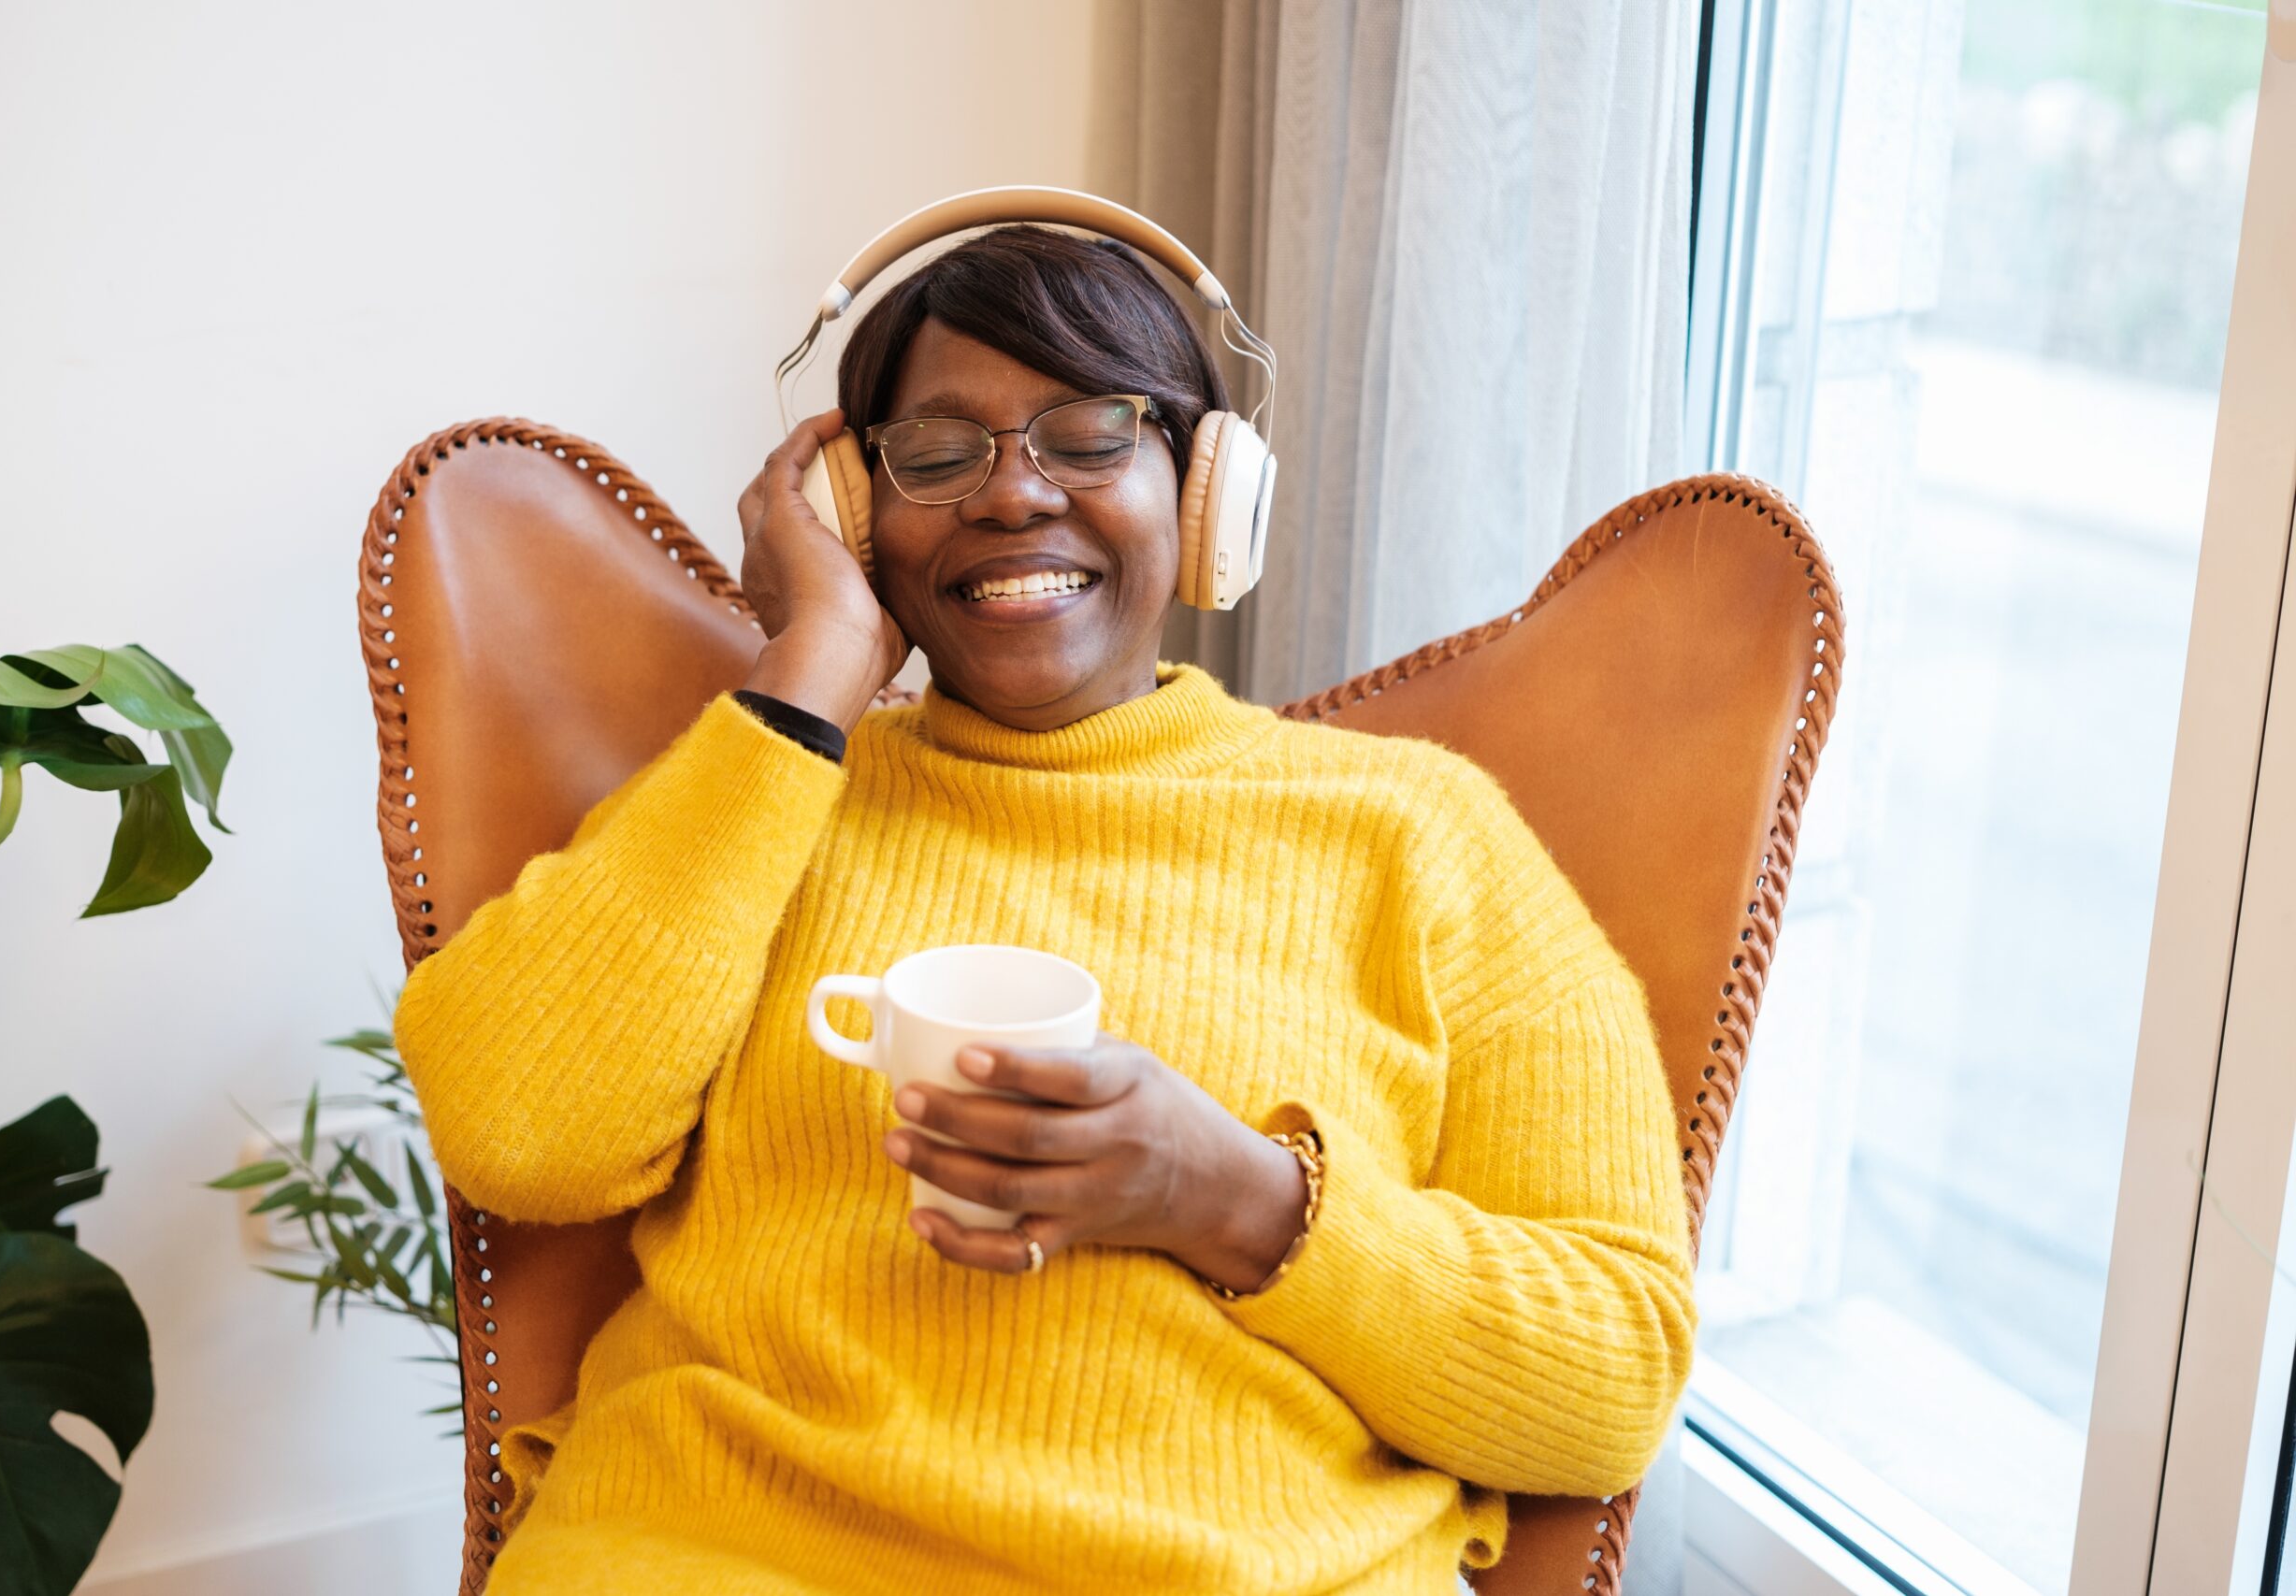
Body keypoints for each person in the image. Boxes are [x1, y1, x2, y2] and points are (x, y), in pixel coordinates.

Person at [392, 223, 1697, 1596]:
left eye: (1090, 436)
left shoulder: (1426, 837)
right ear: (853, 512)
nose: (1014, 496)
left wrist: (1236, 1199)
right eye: (936, 456)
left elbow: (1608, 1387)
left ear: (1208, 492)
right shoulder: (762, 797)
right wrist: (811, 668)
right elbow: (517, 1137)